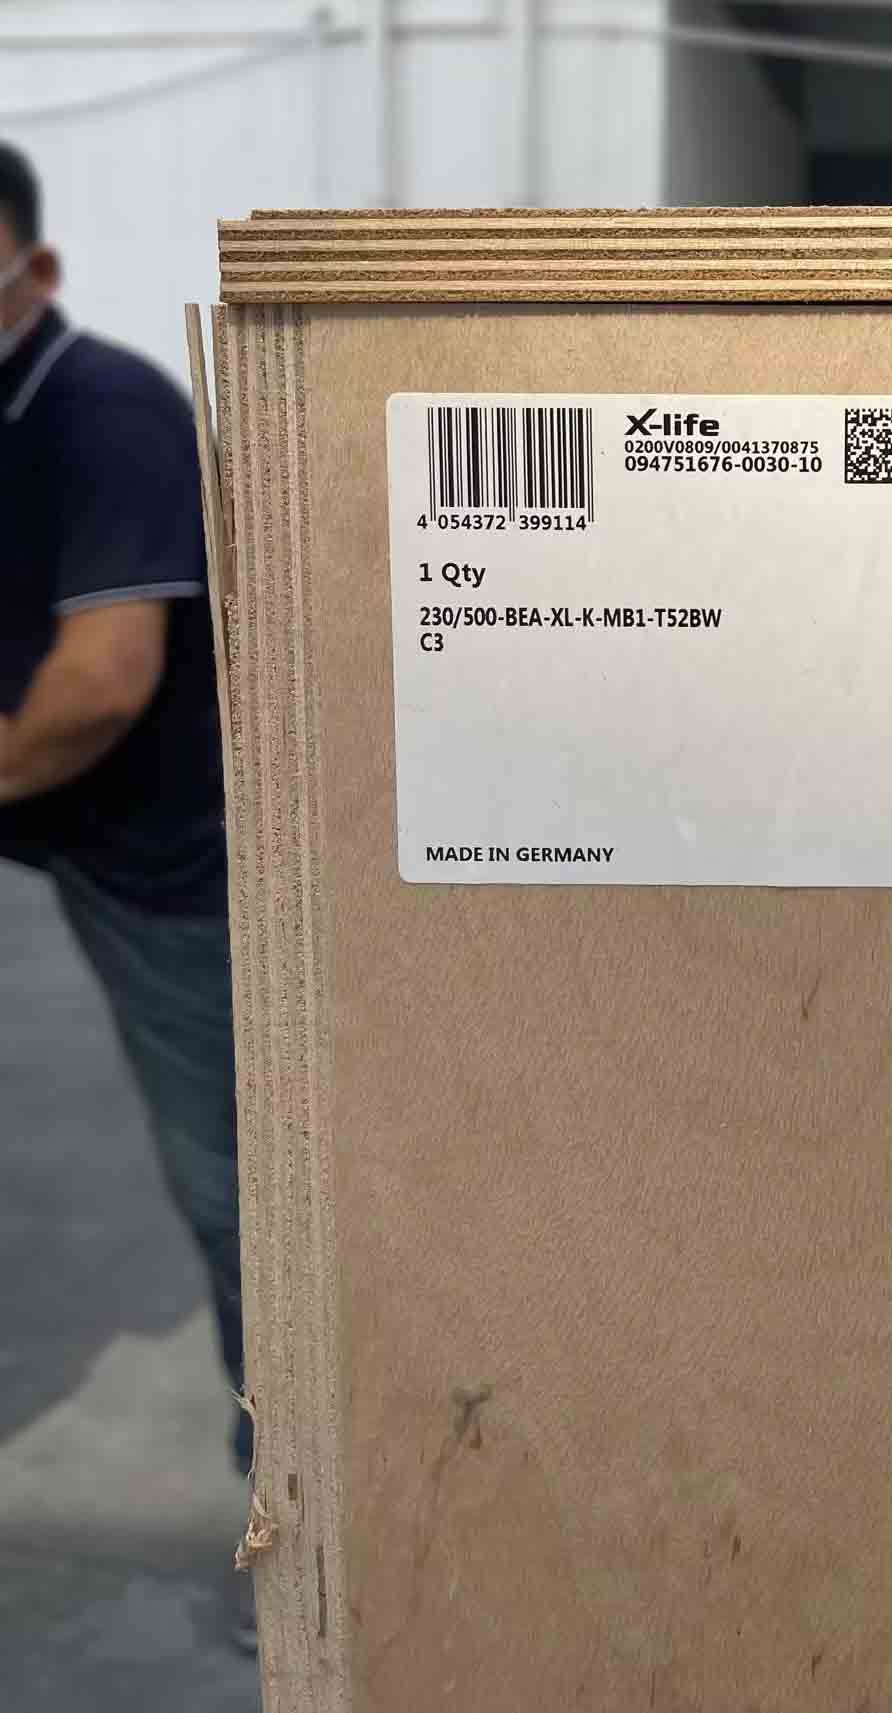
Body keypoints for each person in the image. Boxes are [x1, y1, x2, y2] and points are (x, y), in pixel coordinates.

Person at [0, 141, 254, 1649]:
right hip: (76, 843)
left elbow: (101, 685)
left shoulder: (102, 410)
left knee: (246, 1192)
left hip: (186, 874)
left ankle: (308, 1508)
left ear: (33, 272)